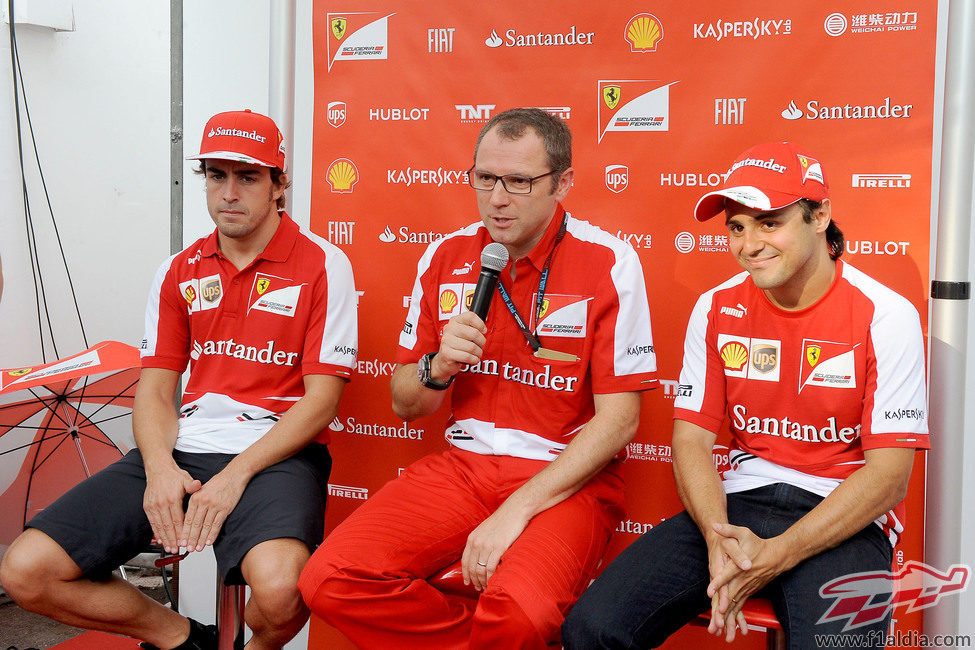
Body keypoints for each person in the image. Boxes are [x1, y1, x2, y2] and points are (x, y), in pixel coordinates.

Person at [298, 107, 658, 648]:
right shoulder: (446, 255)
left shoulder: (609, 261)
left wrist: (516, 511)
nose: (497, 198)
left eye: (519, 182)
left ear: (563, 183)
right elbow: (405, 402)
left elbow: (620, 421)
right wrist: (437, 367)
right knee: (329, 579)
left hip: (564, 478)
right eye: (485, 179)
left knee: (520, 617)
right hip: (464, 469)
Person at [0, 109, 358, 650]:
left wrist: (235, 476)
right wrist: (161, 468)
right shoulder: (178, 269)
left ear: (280, 184)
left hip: (275, 454)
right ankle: (185, 639)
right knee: (26, 571)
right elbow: (155, 390)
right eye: (216, 176)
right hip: (184, 448)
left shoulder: (323, 265)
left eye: (248, 176)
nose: (229, 192)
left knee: (283, 592)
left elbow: (321, 402)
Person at [562, 141, 930, 648]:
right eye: (737, 227)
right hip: (736, 507)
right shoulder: (715, 307)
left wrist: (775, 555)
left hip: (842, 518)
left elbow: (889, 478)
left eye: (768, 222)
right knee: (592, 629)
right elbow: (691, 441)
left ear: (820, 216)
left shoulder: (887, 315)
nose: (749, 244)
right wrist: (717, 538)